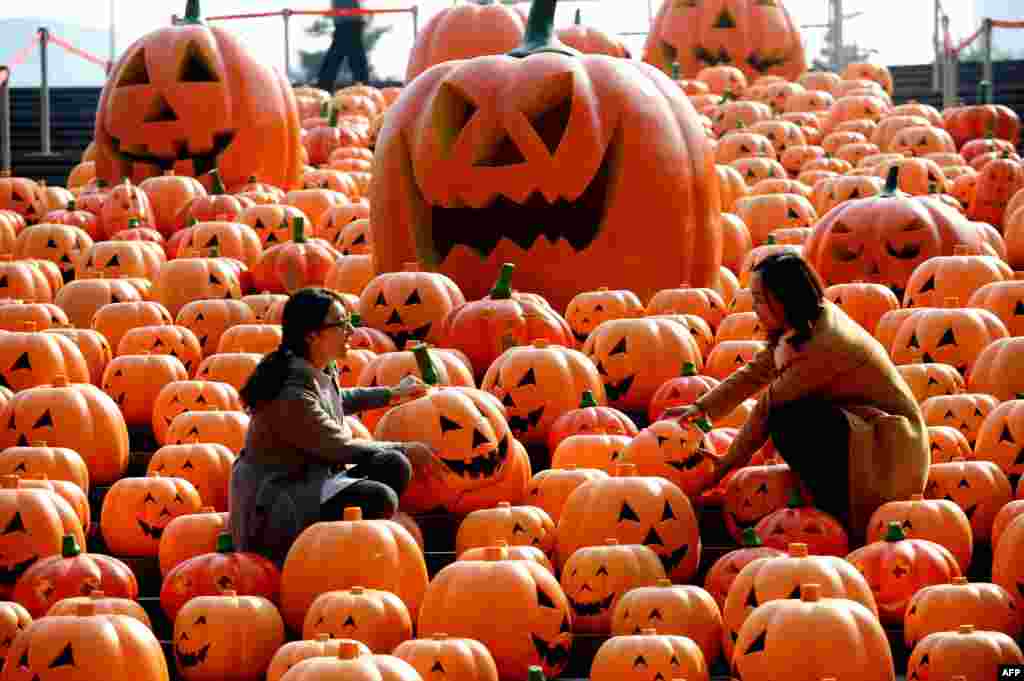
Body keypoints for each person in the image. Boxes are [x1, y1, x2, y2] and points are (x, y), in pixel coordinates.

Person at [663, 253, 930, 541]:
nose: (755, 308)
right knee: (793, 415)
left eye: (761, 300)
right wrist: (702, 408)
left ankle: (840, 521)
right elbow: (757, 372)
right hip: (861, 430)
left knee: (790, 419)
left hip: (889, 448)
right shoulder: (807, 322)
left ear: (786, 298)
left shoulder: (825, 344)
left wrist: (726, 464)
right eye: (753, 299)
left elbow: (769, 407)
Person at [230, 287, 446, 565]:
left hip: (313, 480)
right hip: (279, 501)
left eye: (349, 323)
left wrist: (392, 394)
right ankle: (329, 559)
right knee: (380, 497)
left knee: (393, 465)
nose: (350, 331)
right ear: (312, 335)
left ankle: (346, 545)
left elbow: (337, 399)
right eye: (341, 324)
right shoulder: (288, 393)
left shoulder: (315, 368)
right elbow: (338, 447)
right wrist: (407, 448)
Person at [316, 0, 370, 92]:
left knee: (349, 58)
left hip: (351, 21)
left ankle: (324, 87)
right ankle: (324, 87)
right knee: (350, 58)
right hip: (345, 21)